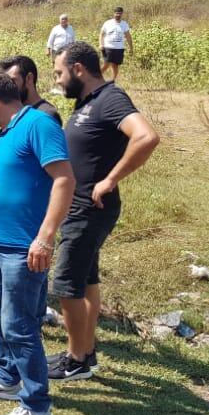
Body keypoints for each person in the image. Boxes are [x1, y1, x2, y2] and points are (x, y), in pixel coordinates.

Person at [0, 71, 75, 415]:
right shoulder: (6, 132)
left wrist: (44, 238)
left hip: (23, 250)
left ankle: (36, 408)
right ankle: (7, 379)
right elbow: (8, 184)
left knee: (20, 326)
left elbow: (64, 179)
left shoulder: (38, 125)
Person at [47, 41, 159, 381]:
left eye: (59, 73)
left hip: (89, 210)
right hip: (78, 209)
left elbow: (147, 137)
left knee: (66, 285)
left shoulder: (110, 99)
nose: (58, 81)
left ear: (79, 69)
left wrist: (110, 179)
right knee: (86, 282)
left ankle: (77, 360)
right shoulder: (86, 102)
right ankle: (85, 353)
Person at [0, 55, 62, 125]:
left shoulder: (46, 115)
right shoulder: (12, 115)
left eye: (12, 81)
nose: (8, 87)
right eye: (6, 82)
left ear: (29, 79)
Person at [99, 7, 133, 81]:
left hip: (119, 48)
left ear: (122, 14)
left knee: (115, 65)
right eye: (116, 13)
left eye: (119, 13)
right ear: (114, 14)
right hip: (108, 47)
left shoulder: (124, 24)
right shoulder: (108, 23)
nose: (118, 15)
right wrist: (101, 44)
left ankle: (112, 81)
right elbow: (101, 34)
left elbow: (128, 36)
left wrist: (131, 48)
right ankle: (96, 78)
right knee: (106, 64)